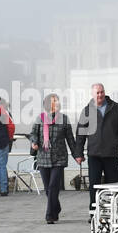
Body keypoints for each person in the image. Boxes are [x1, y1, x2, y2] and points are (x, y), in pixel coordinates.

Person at [28, 93, 84, 223]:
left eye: (58, 100)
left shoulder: (64, 119)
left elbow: (70, 139)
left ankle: (49, 215)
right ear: (48, 104)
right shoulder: (40, 118)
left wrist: (77, 155)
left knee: (53, 186)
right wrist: (34, 142)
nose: (57, 103)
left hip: (59, 158)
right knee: (48, 189)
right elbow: (33, 134)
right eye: (54, 101)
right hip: (43, 158)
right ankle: (56, 207)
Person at [75, 83, 118, 209]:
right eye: (97, 93)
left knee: (114, 185)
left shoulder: (115, 107)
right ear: (93, 94)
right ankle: (94, 212)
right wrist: (78, 153)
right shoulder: (87, 110)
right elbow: (80, 133)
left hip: (111, 153)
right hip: (94, 154)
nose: (100, 95)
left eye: (102, 92)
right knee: (94, 185)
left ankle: (114, 211)